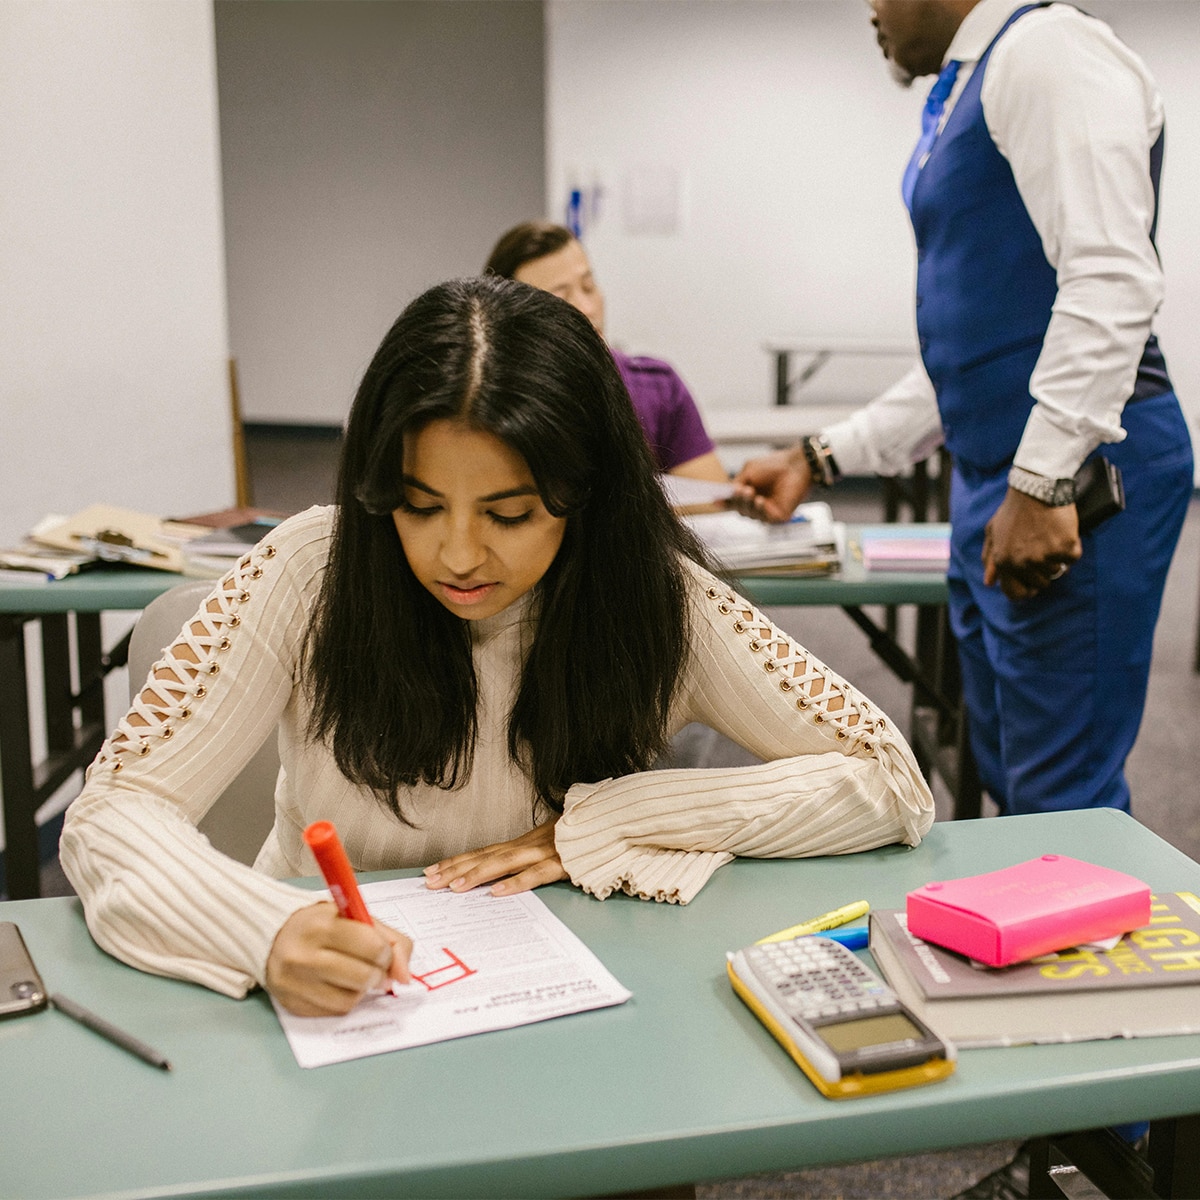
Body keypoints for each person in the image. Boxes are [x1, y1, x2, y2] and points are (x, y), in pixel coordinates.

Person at [60, 275, 933, 1019]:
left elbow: (890, 781)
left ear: (585, 497)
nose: (458, 555)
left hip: (569, 995)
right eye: (419, 507)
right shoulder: (309, 572)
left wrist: (608, 820)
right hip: (334, 1002)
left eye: (508, 514)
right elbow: (113, 810)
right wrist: (264, 930)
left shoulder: (652, 596)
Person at [732, 0, 1193, 826]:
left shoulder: (1048, 51)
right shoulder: (972, 83)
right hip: (1002, 476)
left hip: (1077, 478)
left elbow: (1112, 281)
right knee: (1007, 769)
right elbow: (972, 358)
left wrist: (1043, 483)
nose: (869, 9)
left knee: (1060, 796)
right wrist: (818, 456)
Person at [485, 220, 729, 482]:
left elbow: (711, 494)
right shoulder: (490, 402)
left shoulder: (657, 388)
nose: (587, 308)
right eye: (561, 299)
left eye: (588, 287)